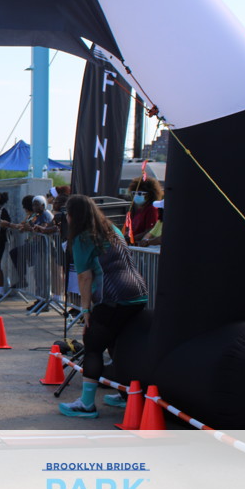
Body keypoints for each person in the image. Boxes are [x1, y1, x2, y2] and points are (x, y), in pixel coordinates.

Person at [59, 195, 148, 419]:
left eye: (67, 213)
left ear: (74, 216)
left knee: (93, 345)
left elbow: (84, 277)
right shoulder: (112, 229)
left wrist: (86, 310)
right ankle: (127, 394)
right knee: (118, 345)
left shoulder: (82, 238)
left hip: (113, 297)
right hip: (138, 293)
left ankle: (87, 404)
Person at [124, 176, 163, 244]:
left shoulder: (152, 209)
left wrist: (132, 239)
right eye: (134, 193)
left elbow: (149, 231)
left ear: (150, 194)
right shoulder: (140, 209)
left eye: (140, 193)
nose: (136, 196)